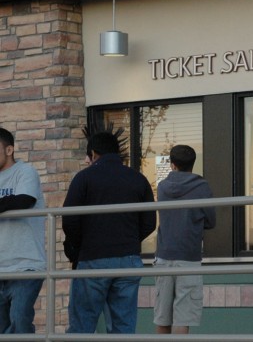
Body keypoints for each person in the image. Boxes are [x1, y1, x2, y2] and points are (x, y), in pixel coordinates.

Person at [63, 129, 156, 334]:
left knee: (82, 325)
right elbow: (150, 222)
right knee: (123, 327)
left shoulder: (84, 178)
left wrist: (80, 247)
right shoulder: (138, 179)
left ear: (94, 154)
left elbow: (69, 220)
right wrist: (129, 240)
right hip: (129, 260)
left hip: (93, 258)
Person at [153, 144, 216, 334]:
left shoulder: (162, 187)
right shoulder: (202, 187)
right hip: (189, 256)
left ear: (172, 164)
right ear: (193, 164)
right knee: (183, 317)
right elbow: (211, 221)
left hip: (164, 255)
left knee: (162, 317)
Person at [0, 127, 46, 334]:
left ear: (9, 150)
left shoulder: (25, 172)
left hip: (25, 264)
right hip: (1, 266)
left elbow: (24, 200)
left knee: (20, 322)